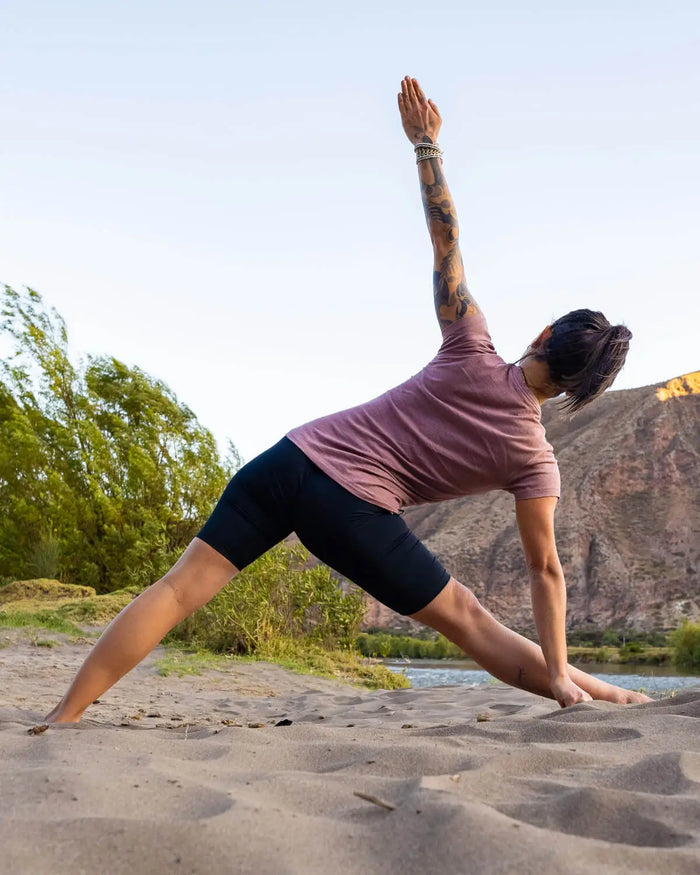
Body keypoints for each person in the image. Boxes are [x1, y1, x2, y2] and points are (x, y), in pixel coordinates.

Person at [46, 77, 650, 724]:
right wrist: (555, 671)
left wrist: (426, 145)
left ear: (543, 334)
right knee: (468, 619)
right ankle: (602, 692)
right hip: (351, 508)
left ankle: (63, 714)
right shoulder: (534, 459)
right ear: (580, 391)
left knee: (176, 589)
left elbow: (447, 241)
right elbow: (546, 571)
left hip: (292, 457)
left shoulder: (469, 341)